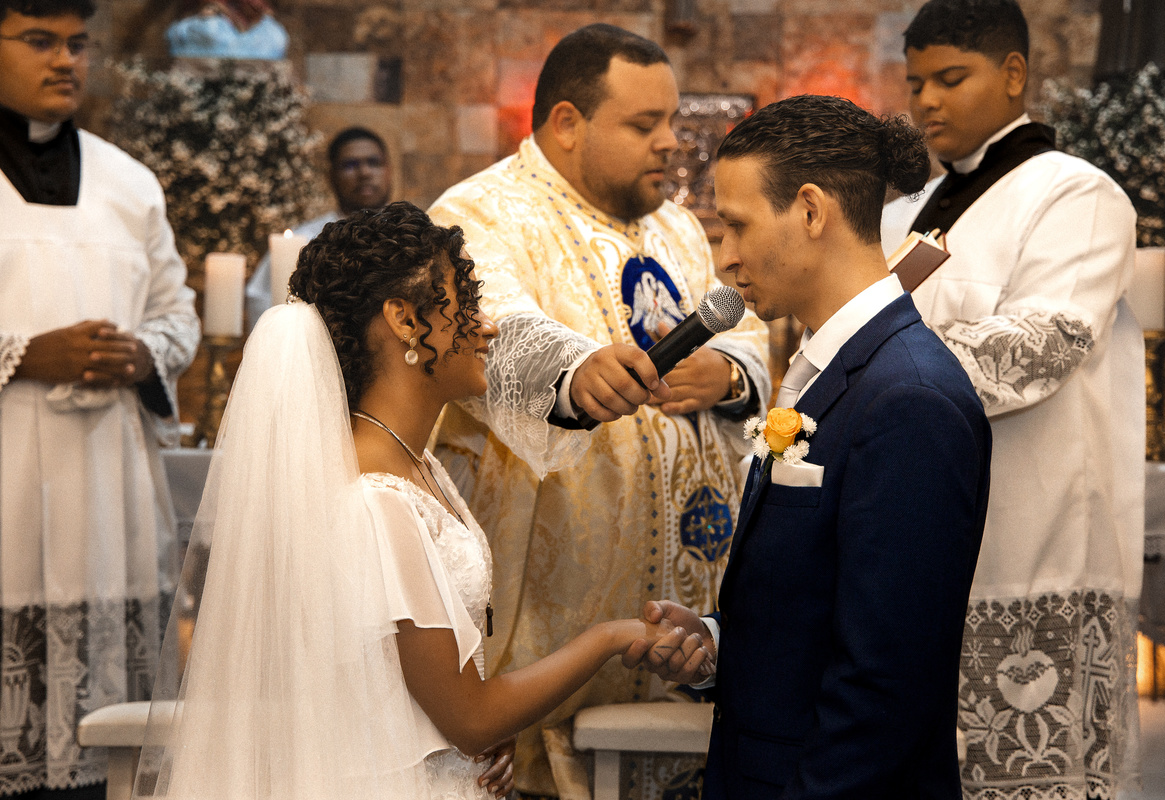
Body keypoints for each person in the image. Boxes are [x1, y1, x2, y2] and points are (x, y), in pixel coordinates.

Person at [133, 202, 683, 800]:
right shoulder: (378, 500)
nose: (488, 328)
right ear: (404, 319)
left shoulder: (415, 465)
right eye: (467, 304)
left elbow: (412, 684)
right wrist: (609, 639)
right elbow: (470, 717)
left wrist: (484, 727)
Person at [428, 23, 769, 795]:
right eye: (644, 124)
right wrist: (576, 370)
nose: (671, 141)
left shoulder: (677, 226)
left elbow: (747, 325)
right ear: (567, 124)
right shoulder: (480, 212)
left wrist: (727, 372)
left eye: (671, 120)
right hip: (551, 634)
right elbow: (490, 327)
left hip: (691, 633)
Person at [626, 94, 993, 798]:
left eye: (737, 225)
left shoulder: (909, 399)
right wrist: (720, 642)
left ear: (811, 211)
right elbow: (822, 606)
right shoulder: (830, 368)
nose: (726, 258)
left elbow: (885, 686)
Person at [879, 2, 1144, 796]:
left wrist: (866, 368)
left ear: (1014, 73)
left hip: (1032, 541)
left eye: (950, 78)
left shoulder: (1076, 195)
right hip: (906, 540)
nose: (927, 100)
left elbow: (1040, 348)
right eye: (916, 83)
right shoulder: (900, 214)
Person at [0, 1, 200, 797]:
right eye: (40, 41)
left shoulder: (129, 182)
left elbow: (177, 312)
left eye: (78, 45)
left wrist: (143, 352)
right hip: (9, 476)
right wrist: (23, 354)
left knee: (106, 760)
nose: (66, 61)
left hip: (107, 485)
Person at [245, 126, 393, 329]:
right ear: (330, 175)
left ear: (389, 170)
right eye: (350, 165)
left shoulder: (416, 238)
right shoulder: (302, 241)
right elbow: (261, 305)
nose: (364, 173)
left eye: (374, 162)